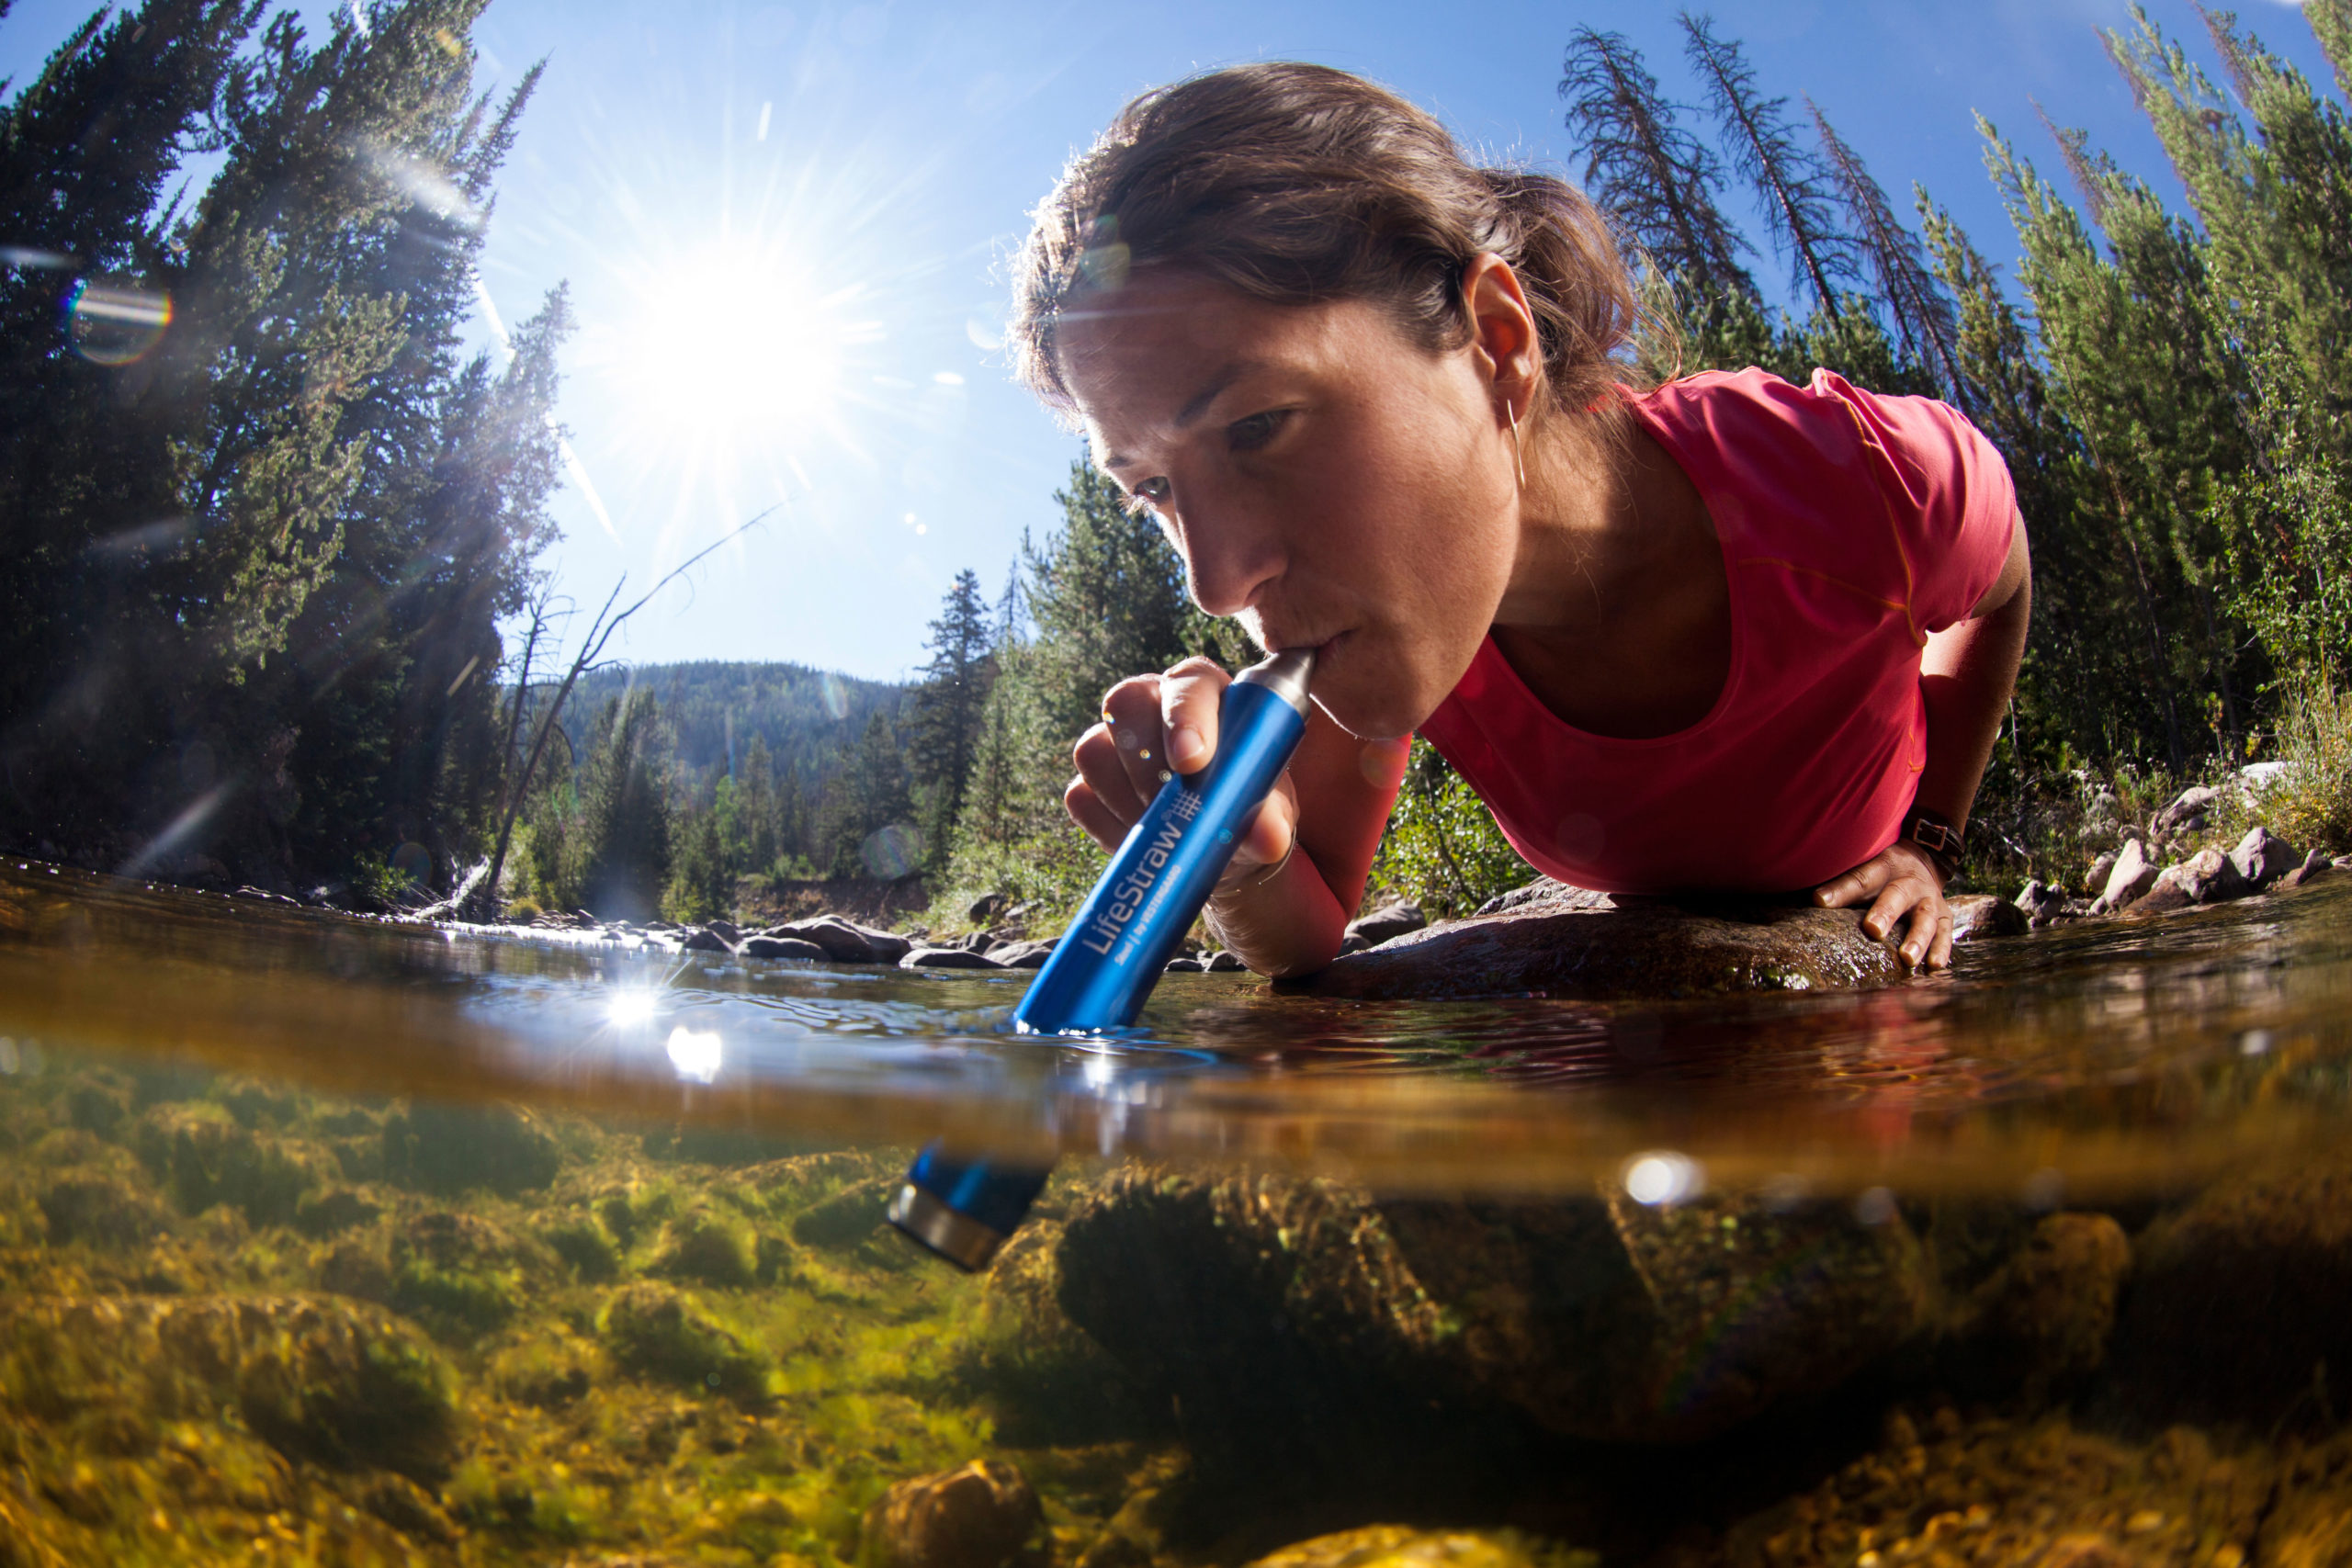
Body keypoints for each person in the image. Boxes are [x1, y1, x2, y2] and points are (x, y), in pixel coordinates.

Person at [1010, 62, 2030, 980]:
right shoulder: (1386, 616)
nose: (1219, 582)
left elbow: (2004, 584)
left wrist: (1932, 839)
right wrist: (1240, 863)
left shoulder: (1856, 482)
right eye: (1152, 490)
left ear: (1495, 343)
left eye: (1258, 425)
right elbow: (1311, 924)